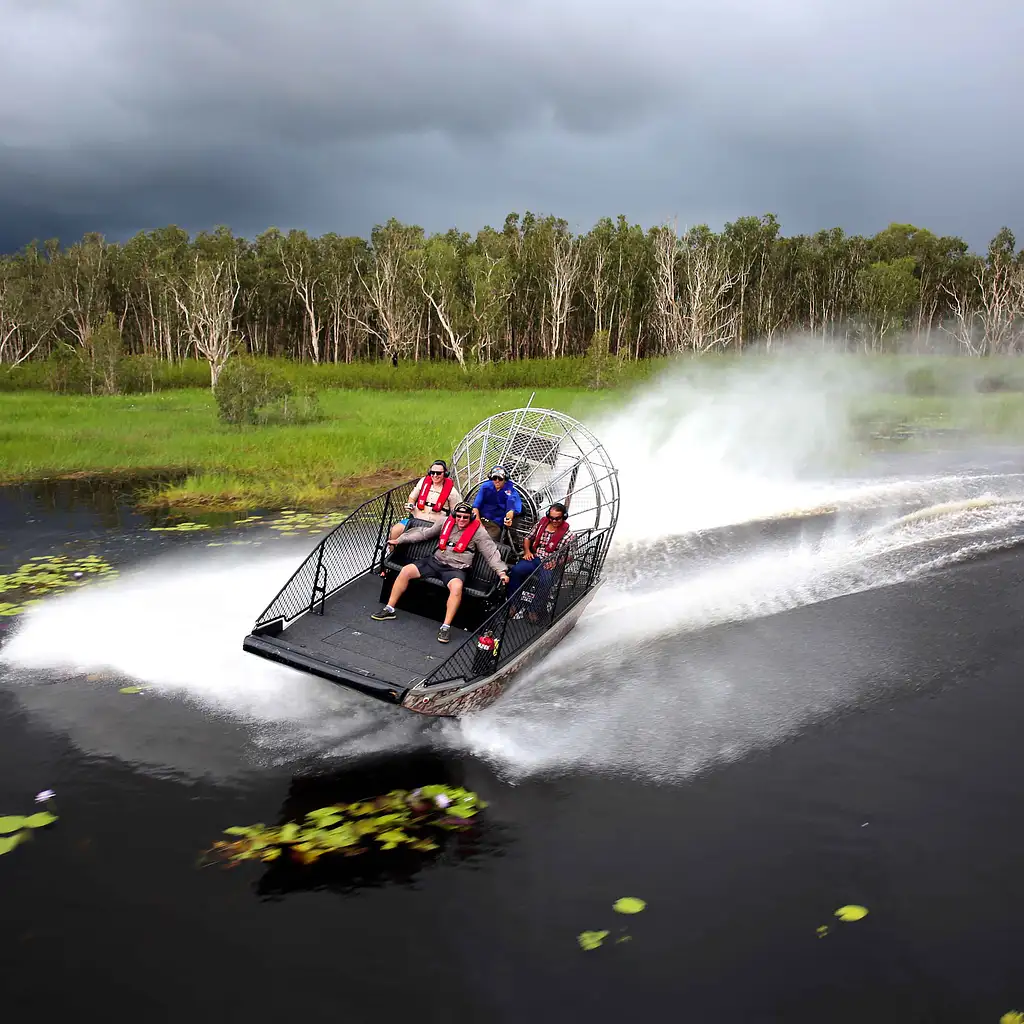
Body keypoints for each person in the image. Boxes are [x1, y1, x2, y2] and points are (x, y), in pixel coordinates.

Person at [372, 502, 510, 643]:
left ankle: (445, 627)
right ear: (455, 516)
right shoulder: (444, 522)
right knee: (406, 571)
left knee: (456, 588)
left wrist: (502, 572)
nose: (462, 520)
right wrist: (399, 539)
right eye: (459, 516)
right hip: (435, 561)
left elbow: (491, 553)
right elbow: (424, 533)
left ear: (471, 518)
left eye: (465, 517)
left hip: (456, 568)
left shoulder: (478, 532)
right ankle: (389, 608)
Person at [506, 502, 572, 611]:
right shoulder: (540, 525)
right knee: (516, 571)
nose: (554, 521)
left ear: (564, 517)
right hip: (535, 558)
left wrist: (556, 563)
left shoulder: (569, 536)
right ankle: (514, 604)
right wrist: (527, 551)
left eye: (558, 518)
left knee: (546, 582)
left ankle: (534, 609)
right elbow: (528, 538)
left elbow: (570, 556)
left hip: (550, 563)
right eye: (551, 518)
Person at [387, 460, 462, 548]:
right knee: (395, 530)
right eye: (432, 473)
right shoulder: (423, 482)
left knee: (426, 541)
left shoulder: (452, 492)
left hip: (433, 524)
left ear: (445, 474)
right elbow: (412, 498)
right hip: (415, 519)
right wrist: (410, 505)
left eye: (438, 473)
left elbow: (456, 512)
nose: (435, 475)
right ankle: (392, 555)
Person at [471, 465, 523, 542]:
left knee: (487, 541)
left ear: (505, 479)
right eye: (494, 478)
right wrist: (478, 523)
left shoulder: (510, 491)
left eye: (500, 478)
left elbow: (510, 509)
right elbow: (475, 506)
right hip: (479, 518)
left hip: (494, 524)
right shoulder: (485, 487)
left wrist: (508, 519)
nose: (497, 480)